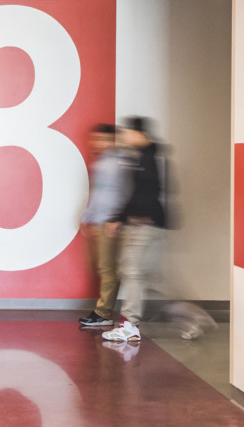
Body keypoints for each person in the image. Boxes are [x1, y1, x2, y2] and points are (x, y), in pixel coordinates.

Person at [102, 116, 169, 343]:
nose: (125, 137)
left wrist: (138, 216)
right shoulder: (142, 157)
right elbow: (135, 193)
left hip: (144, 224)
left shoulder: (149, 158)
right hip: (140, 223)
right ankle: (132, 323)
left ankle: (129, 325)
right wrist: (120, 218)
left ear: (141, 134)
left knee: (131, 271)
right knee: (135, 273)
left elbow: (152, 191)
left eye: (128, 133)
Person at [78, 123, 131, 329]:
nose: (97, 143)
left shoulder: (119, 163)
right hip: (98, 222)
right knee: (100, 267)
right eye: (96, 138)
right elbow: (99, 193)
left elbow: (126, 193)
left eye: (103, 139)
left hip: (110, 223)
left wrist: (117, 218)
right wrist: (87, 216)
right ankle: (103, 311)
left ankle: (103, 313)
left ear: (112, 141)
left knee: (108, 269)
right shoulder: (101, 163)